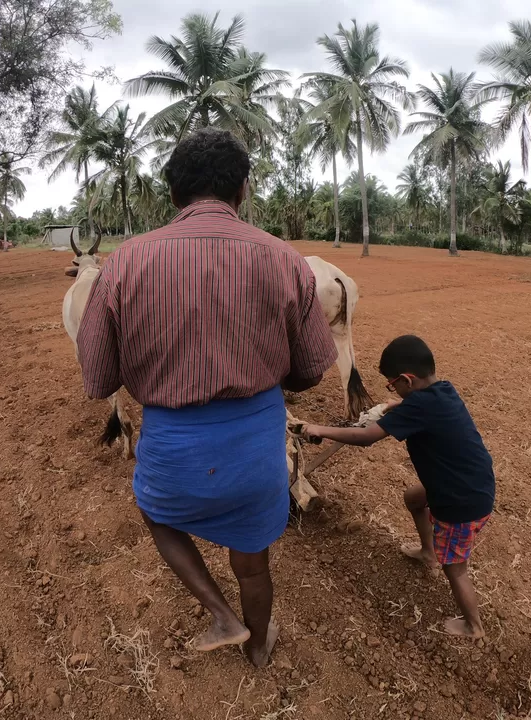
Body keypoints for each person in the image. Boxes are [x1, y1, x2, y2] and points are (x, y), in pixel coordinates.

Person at [76, 127, 338, 667]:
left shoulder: (125, 263)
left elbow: (98, 377)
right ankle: (260, 651)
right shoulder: (284, 259)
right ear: (243, 190)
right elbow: (312, 369)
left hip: (173, 444)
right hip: (255, 445)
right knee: (254, 559)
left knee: (157, 513)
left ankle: (222, 616)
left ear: (173, 195)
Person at [302, 335, 495, 638]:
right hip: (467, 482)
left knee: (455, 568)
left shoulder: (418, 406)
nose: (393, 391)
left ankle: (473, 626)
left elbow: (367, 438)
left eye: (393, 385)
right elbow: (418, 411)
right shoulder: (442, 391)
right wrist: (394, 405)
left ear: (408, 379)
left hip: (462, 501)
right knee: (413, 498)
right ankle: (427, 552)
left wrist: (319, 429)